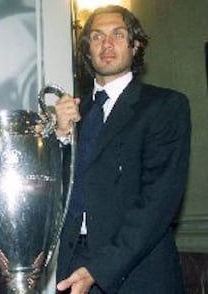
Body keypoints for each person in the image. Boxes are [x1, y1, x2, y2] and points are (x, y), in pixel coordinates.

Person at [54, 5, 191, 294]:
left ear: (136, 44)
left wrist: (100, 268)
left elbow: (158, 202)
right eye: (97, 37)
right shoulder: (72, 115)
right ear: (86, 50)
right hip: (73, 266)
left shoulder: (164, 107)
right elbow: (52, 197)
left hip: (137, 274)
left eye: (118, 34)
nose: (107, 44)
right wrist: (61, 139)